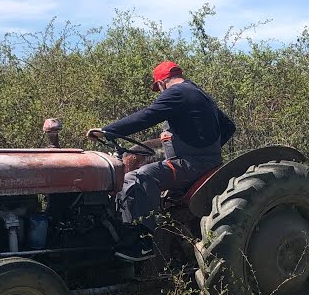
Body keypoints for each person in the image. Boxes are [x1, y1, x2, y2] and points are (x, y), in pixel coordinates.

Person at [88, 60, 235, 261]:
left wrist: (108, 131)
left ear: (162, 82)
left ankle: (141, 242)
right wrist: (208, 148)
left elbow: (147, 116)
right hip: (206, 163)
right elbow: (229, 126)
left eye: (158, 88)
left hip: (190, 164)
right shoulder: (200, 94)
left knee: (134, 178)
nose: (159, 93)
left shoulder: (176, 93)